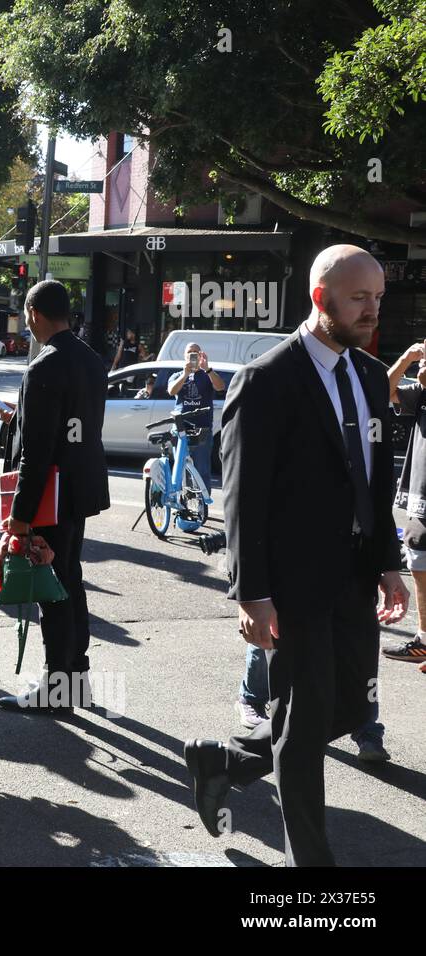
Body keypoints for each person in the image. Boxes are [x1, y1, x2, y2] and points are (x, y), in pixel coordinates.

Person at [184, 245, 408, 868]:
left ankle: (224, 761)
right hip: (292, 589)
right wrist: (250, 592)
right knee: (305, 730)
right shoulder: (266, 381)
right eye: (360, 298)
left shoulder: (367, 375)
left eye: (379, 298)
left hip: (356, 577)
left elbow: (373, 484)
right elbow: (242, 499)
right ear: (321, 298)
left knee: (351, 708)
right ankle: (310, 869)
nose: (372, 311)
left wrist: (389, 563)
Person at [0, 279, 110, 712]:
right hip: (80, 489)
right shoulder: (92, 360)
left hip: (51, 493)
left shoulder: (43, 367)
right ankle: (75, 678)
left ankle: (57, 686)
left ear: (33, 314)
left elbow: (37, 453)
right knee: (69, 581)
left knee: (52, 589)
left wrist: (20, 517)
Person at [385, 340, 426, 665]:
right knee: (418, 562)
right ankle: (424, 640)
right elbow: (383, 392)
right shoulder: (421, 390)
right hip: (419, 496)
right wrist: (405, 358)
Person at [167, 342, 226, 486]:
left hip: (202, 428)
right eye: (189, 352)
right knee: (180, 469)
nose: (192, 354)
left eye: (195, 352)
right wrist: (186, 374)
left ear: (200, 355)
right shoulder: (177, 375)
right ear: (184, 355)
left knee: (202, 470)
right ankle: (181, 501)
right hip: (180, 428)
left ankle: (202, 506)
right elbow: (171, 391)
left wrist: (208, 369)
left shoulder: (207, 374)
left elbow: (220, 387)